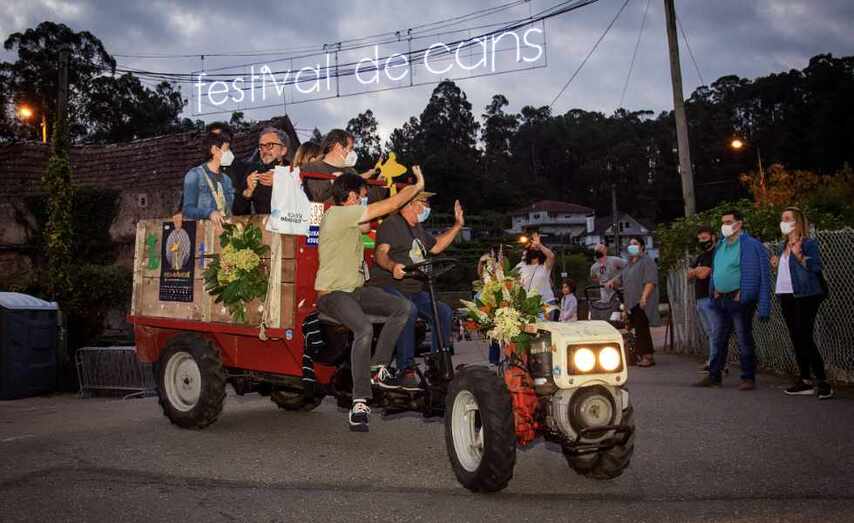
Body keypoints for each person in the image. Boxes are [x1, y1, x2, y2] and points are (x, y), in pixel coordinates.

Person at [314, 167, 426, 432]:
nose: (365, 202)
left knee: (403, 307)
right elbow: (393, 204)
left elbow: (368, 223)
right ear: (352, 197)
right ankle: (359, 401)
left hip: (355, 291)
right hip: (332, 294)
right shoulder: (338, 214)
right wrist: (416, 186)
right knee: (363, 328)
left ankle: (378, 367)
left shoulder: (350, 221)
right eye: (363, 197)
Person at [369, 192, 464, 384]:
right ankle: (406, 368)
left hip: (414, 290)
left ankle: (438, 365)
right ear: (408, 203)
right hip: (390, 286)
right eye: (423, 202)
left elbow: (436, 247)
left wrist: (458, 225)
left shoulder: (418, 228)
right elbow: (380, 253)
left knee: (444, 312)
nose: (426, 206)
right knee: (408, 310)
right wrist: (392, 266)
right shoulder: (391, 225)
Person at [694, 210, 771, 390]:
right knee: (719, 338)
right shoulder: (721, 245)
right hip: (721, 299)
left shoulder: (751, 245)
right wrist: (715, 289)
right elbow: (717, 269)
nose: (725, 226)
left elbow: (760, 273)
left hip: (739, 299)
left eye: (729, 222)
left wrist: (743, 292)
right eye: (723, 222)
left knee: (743, 338)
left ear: (739, 224)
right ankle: (714, 376)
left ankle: (748, 377)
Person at [771, 207, 832, 399]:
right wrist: (776, 264)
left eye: (787, 218)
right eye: (782, 218)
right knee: (796, 337)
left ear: (797, 222)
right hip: (786, 295)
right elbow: (788, 272)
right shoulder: (783, 245)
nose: (783, 221)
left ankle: (823, 382)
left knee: (805, 336)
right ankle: (805, 380)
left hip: (805, 295)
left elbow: (815, 267)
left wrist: (799, 256)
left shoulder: (808, 243)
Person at [607, 237, 658, 367]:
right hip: (630, 302)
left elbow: (650, 281)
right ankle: (639, 354)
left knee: (642, 328)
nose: (632, 246)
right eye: (630, 244)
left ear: (642, 247)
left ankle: (648, 356)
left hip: (641, 300)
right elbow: (621, 278)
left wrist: (644, 297)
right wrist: (613, 282)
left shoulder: (647, 262)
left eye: (635, 244)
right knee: (633, 328)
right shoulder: (630, 263)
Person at [173, 122, 234, 229]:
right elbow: (187, 210)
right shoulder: (194, 175)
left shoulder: (227, 180)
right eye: (226, 149)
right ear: (214, 149)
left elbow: (228, 212)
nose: (230, 153)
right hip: (201, 235)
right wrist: (209, 213)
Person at [302, 129, 380, 202]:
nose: (352, 153)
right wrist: (332, 182)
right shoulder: (311, 168)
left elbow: (365, 199)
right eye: (350, 148)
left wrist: (380, 186)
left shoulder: (351, 171)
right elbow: (314, 196)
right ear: (338, 147)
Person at [235, 127, 290, 215]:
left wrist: (281, 181)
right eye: (261, 146)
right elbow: (238, 213)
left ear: (283, 150)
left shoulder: (294, 172)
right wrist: (248, 192)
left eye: (270, 145)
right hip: (263, 226)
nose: (264, 150)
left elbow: (311, 205)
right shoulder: (254, 171)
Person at [687, 226, 720, 373]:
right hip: (700, 298)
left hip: (710, 297)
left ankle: (715, 362)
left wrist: (697, 271)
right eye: (700, 239)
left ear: (713, 237)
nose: (702, 241)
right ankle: (714, 360)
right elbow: (688, 273)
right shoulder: (701, 256)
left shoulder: (716, 254)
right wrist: (696, 270)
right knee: (709, 331)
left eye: (705, 238)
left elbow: (703, 275)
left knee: (714, 331)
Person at [517, 233, 557, 318]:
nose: (534, 248)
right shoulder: (521, 265)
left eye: (537, 248)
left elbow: (551, 256)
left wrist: (540, 245)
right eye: (532, 247)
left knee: (547, 330)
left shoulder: (545, 265)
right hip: (528, 306)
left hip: (546, 304)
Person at [589, 244, 626, 321]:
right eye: (597, 249)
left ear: (605, 250)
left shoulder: (614, 260)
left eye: (601, 248)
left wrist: (615, 279)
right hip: (605, 297)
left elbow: (628, 267)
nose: (599, 250)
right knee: (605, 318)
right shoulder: (594, 267)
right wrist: (601, 282)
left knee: (616, 318)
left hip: (619, 293)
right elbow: (593, 277)